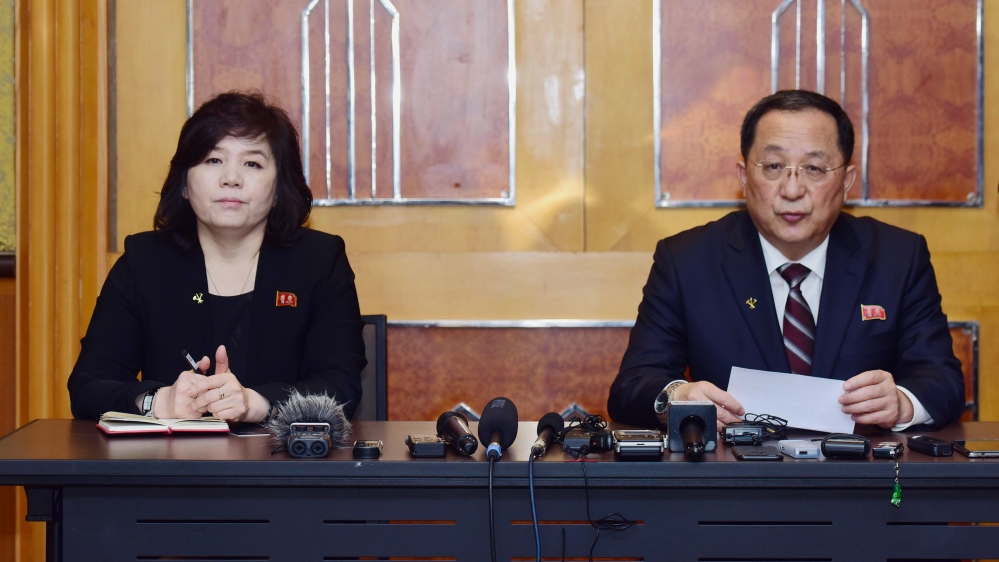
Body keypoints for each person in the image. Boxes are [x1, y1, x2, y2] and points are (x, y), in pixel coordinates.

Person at [608, 90, 964, 432]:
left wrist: (901, 403)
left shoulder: (897, 258)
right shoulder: (687, 261)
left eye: (814, 168)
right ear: (744, 177)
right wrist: (677, 397)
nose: (792, 190)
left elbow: (941, 380)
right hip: (732, 469)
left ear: (847, 181)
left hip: (857, 469)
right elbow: (633, 385)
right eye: (774, 166)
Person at [68, 91, 366, 422]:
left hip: (279, 454)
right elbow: (88, 386)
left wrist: (256, 403)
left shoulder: (319, 261)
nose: (231, 179)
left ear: (279, 189)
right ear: (184, 183)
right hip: (170, 455)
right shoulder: (145, 262)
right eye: (213, 160)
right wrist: (157, 401)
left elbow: (341, 387)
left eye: (252, 163)